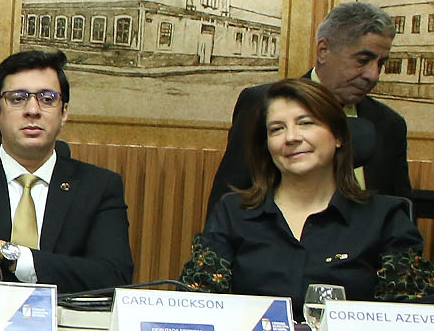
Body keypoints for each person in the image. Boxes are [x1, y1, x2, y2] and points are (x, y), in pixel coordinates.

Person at [180, 78, 430, 304]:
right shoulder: (233, 213)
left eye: (306, 123)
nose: (291, 137)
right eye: (277, 129)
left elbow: (410, 317)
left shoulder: (385, 218)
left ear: (338, 137)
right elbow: (198, 303)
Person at [0, 50, 134, 294]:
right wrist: (54, 270)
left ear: (64, 113)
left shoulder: (100, 186)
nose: (32, 110)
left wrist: (1, 251)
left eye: (47, 99)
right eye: (17, 98)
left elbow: (112, 277)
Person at [209, 2, 412, 205]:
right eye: (362, 60)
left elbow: (402, 211)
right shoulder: (263, 105)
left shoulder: (390, 125)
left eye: (380, 64)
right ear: (323, 51)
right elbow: (228, 199)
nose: (373, 75)